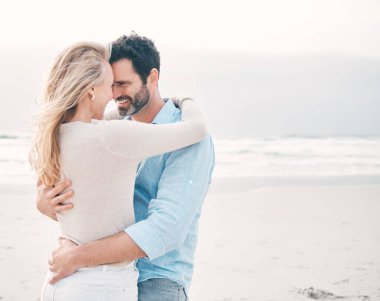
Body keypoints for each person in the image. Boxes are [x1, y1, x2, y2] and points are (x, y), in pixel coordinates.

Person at [36, 33, 215, 301]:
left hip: (155, 280)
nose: (114, 94)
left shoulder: (187, 140)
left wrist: (77, 256)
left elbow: (166, 229)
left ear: (152, 78)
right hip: (100, 277)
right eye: (111, 84)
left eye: (122, 83)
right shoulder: (112, 130)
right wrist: (45, 203)